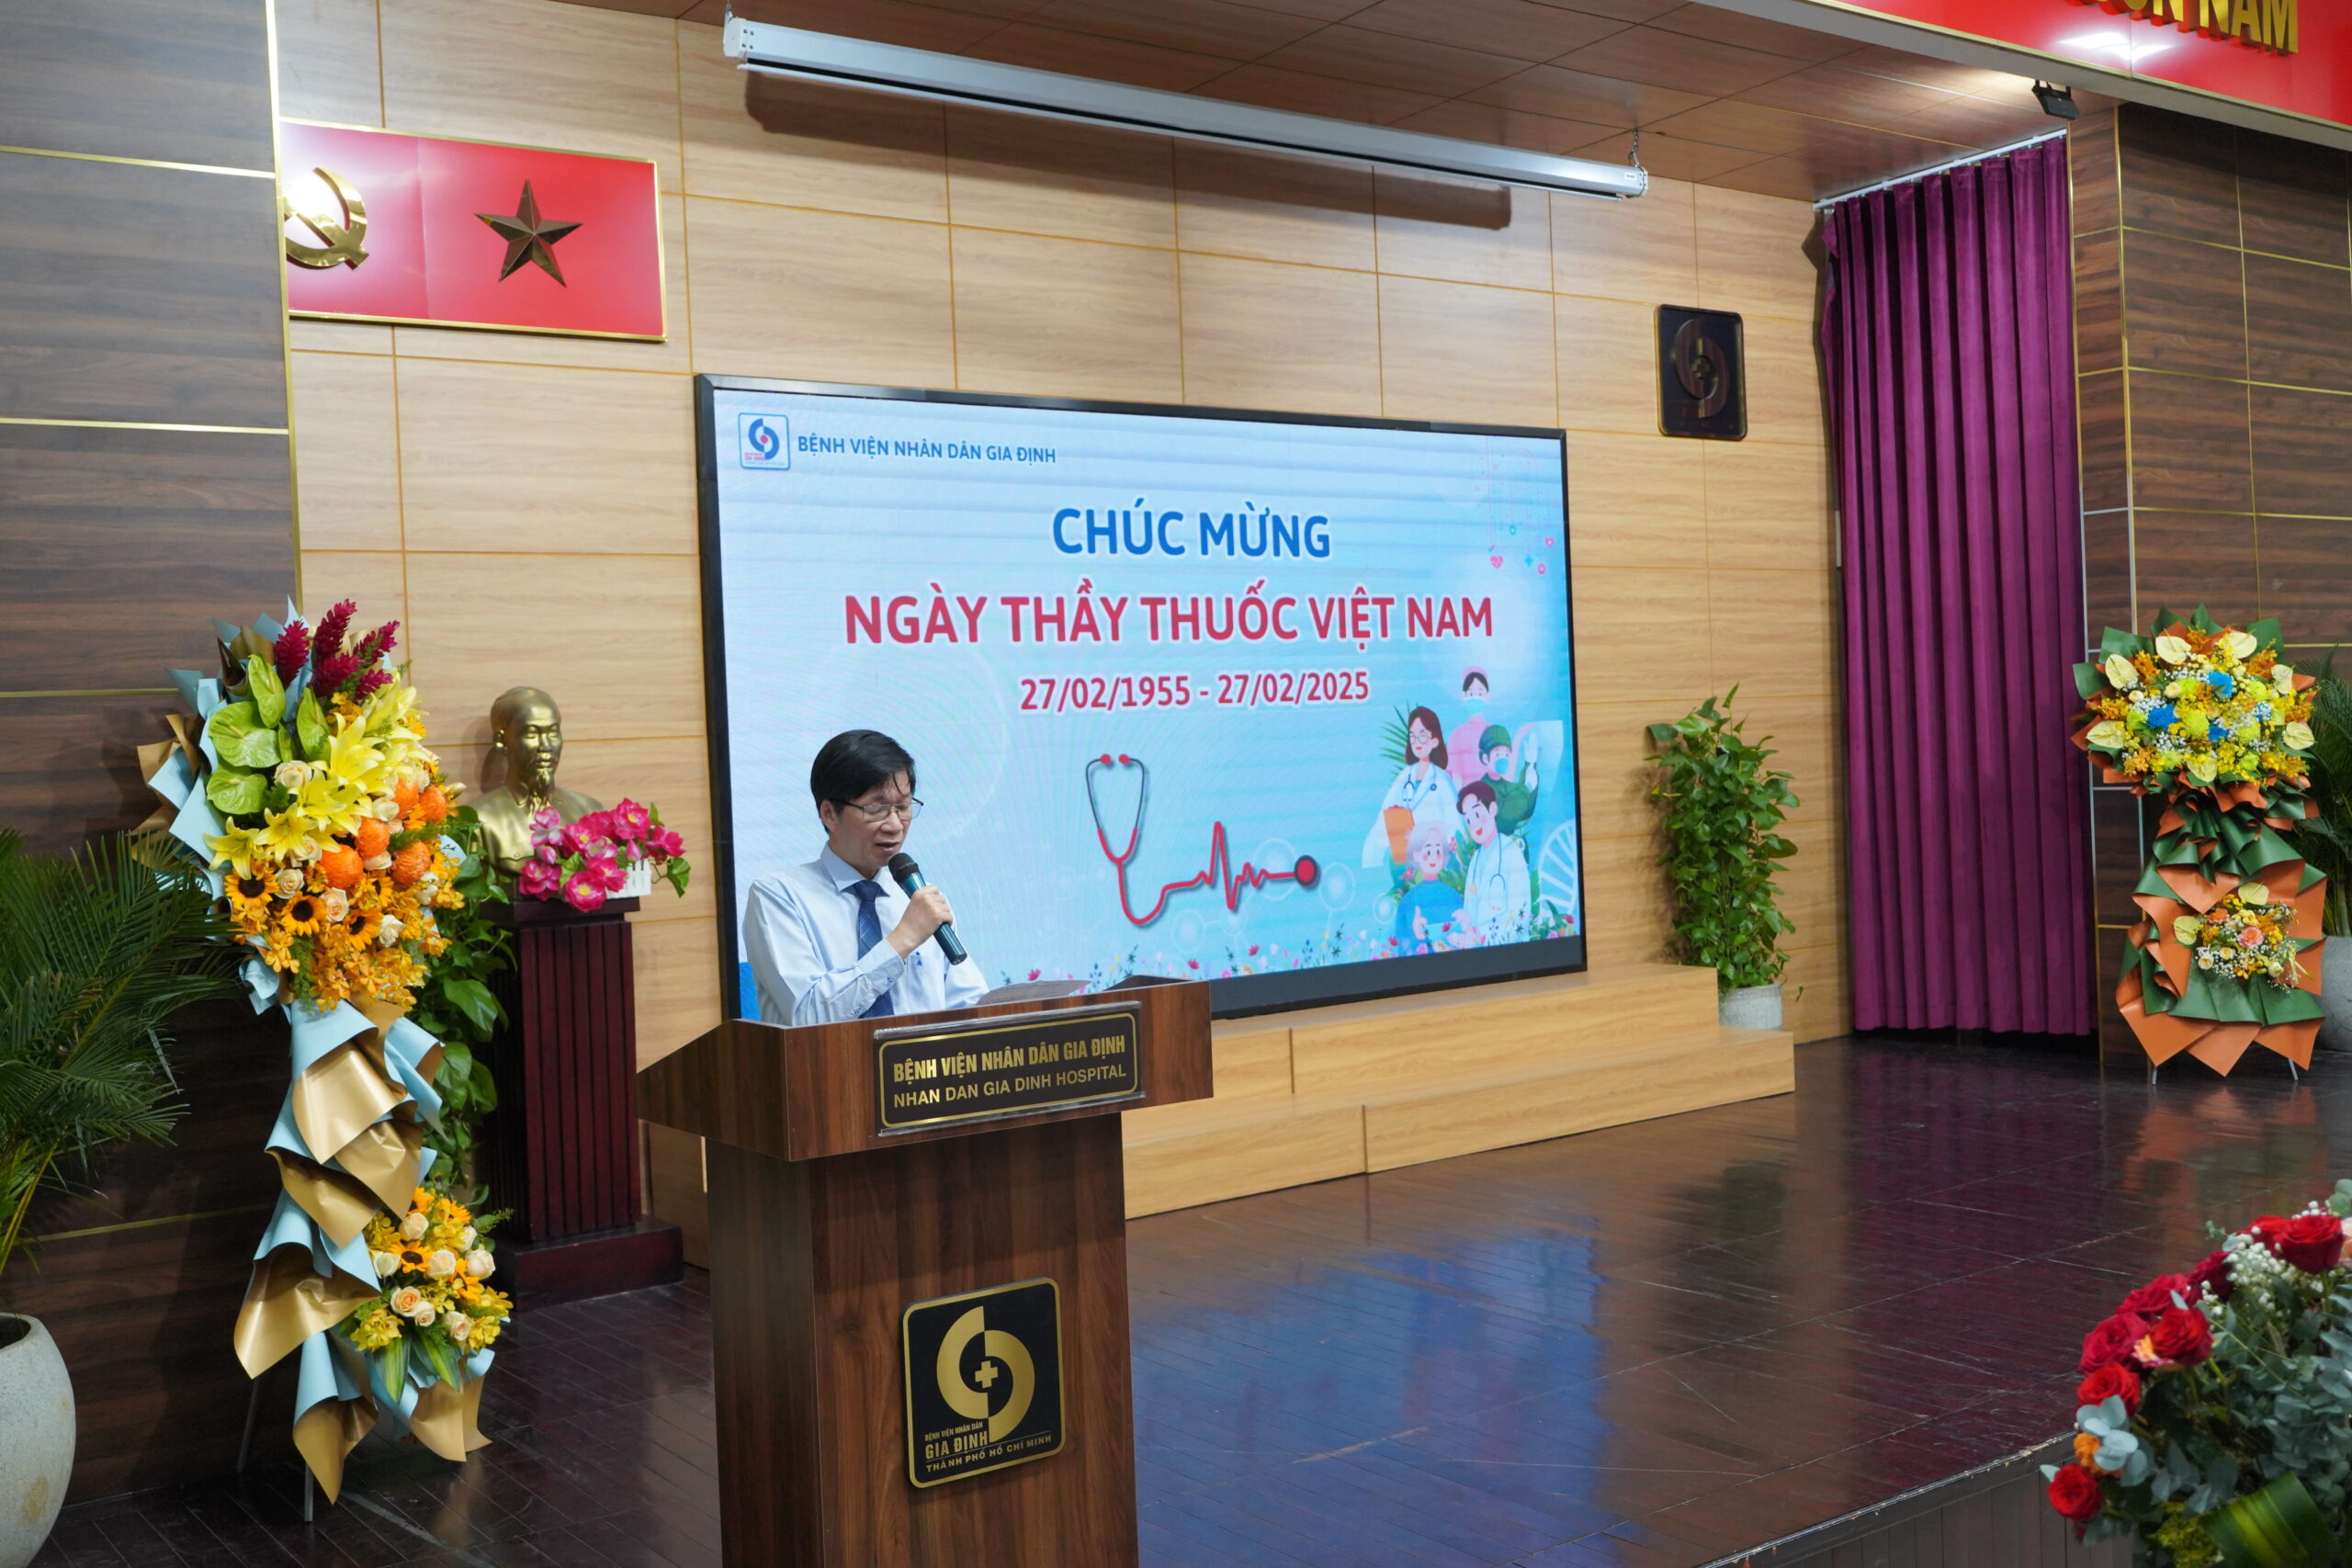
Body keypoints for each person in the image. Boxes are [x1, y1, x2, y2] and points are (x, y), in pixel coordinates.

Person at [741, 729, 985, 1026]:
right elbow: (807, 1016)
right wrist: (902, 939)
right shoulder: (778, 897)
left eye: (903, 807)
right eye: (876, 809)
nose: (895, 825)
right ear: (830, 814)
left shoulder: (920, 901)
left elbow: (971, 1007)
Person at [1363, 705, 1462, 866]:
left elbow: (1454, 824)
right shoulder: (1405, 776)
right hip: (1404, 857)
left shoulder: (1441, 779)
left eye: (1422, 736)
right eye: (1413, 737)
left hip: (1433, 858)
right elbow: (1385, 815)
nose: (1417, 742)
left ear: (1435, 741)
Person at [1454, 781, 1531, 948]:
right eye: (1468, 820)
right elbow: (1470, 909)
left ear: (1493, 809)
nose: (1474, 824)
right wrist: (1466, 928)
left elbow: (1521, 915)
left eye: (1477, 814)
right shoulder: (1475, 861)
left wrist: (1483, 938)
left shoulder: (1511, 854)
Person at [1476, 725, 1538, 840]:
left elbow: (1525, 811)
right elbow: (1504, 817)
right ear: (1485, 758)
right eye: (1497, 754)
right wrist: (1527, 788)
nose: (1503, 759)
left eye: (1507, 754)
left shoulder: (1506, 785)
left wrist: (1530, 764)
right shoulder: (1483, 789)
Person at [1445, 669, 1492, 790]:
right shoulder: (1457, 735)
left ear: (1488, 696)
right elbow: (1455, 775)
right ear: (1463, 696)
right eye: (1471, 694)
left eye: (1480, 693)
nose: (1475, 698)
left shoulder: (1494, 732)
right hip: (1467, 796)